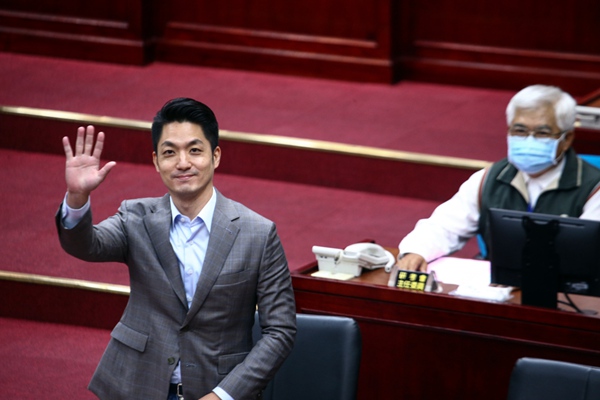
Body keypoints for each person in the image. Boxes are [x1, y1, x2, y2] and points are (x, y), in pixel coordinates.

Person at [55, 98, 297, 400]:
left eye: (195, 150)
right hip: (137, 387)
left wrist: (223, 395)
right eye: (170, 152)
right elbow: (86, 245)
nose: (183, 163)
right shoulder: (136, 217)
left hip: (216, 390)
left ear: (215, 156)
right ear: (156, 161)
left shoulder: (258, 233)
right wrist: (77, 197)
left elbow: (280, 331)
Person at [397, 84, 600, 272]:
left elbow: (588, 255)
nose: (529, 140)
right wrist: (417, 251)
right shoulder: (488, 179)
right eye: (520, 131)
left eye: (542, 133)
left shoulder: (593, 188)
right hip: (498, 287)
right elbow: (444, 226)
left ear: (567, 139)